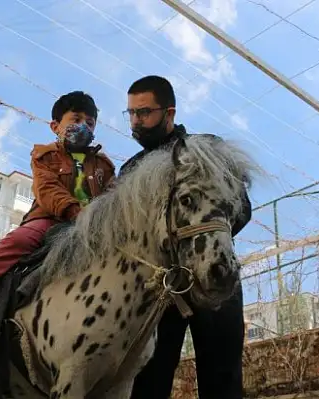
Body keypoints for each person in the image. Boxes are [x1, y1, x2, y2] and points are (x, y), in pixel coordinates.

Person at [0, 91, 116, 334]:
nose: (83, 126)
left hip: (94, 226)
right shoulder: (45, 156)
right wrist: (75, 211)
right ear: (55, 126)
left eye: (90, 123)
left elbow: (113, 195)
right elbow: (46, 189)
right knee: (17, 241)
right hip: (50, 219)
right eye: (76, 119)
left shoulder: (103, 165)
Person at [121, 75, 252, 399]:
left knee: (223, 379)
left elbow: (241, 207)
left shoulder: (207, 149)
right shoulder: (130, 171)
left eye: (144, 112)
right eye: (131, 114)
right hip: (157, 289)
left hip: (214, 273)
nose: (136, 122)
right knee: (148, 380)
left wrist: (200, 241)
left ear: (170, 112)